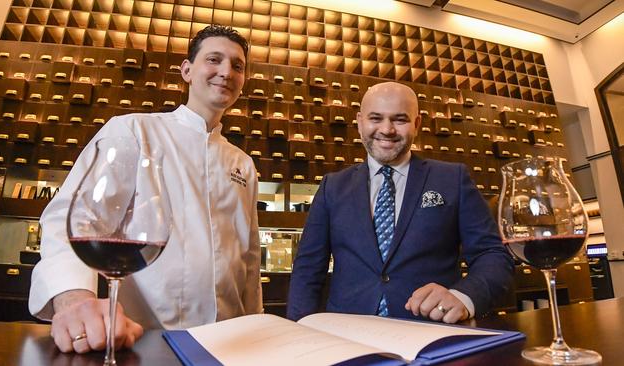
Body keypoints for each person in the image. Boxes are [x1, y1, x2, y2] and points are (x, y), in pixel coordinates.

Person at [29, 25, 262, 354]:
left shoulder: (244, 164)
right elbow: (71, 220)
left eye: (237, 66)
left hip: (230, 345)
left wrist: (256, 326)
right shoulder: (134, 130)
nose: (226, 71)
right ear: (187, 70)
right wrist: (73, 300)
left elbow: (248, 259)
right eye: (214, 59)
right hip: (144, 341)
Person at [287, 82, 514, 324]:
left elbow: (493, 255)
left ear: (417, 123)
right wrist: (299, 331)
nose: (387, 129)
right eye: (376, 118)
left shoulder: (453, 179)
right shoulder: (332, 186)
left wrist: (464, 297)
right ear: (360, 121)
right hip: (349, 333)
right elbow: (308, 268)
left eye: (400, 119)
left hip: (431, 332)